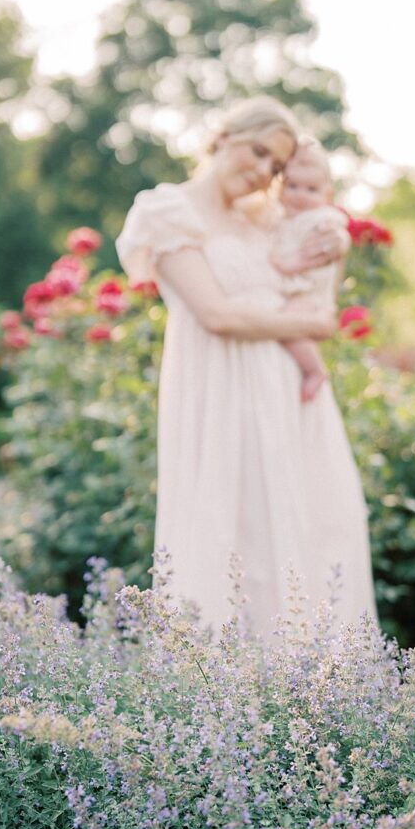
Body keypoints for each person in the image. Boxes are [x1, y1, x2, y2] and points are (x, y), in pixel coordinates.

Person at [116, 97, 376, 638]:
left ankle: (317, 694)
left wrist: (332, 252)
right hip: (219, 393)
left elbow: (317, 301)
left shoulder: (267, 220)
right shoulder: (168, 213)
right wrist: (311, 327)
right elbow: (216, 315)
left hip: (292, 399)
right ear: (224, 137)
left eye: (276, 166)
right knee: (234, 532)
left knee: (317, 526)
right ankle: (226, 699)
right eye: (258, 152)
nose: (263, 172)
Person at [271, 137, 349, 402]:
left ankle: (315, 370)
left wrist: (289, 264)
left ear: (327, 195)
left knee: (287, 324)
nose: (301, 195)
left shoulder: (322, 219)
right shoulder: (282, 219)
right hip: (295, 290)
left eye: (312, 189)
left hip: (309, 293)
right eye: (292, 186)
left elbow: (330, 244)